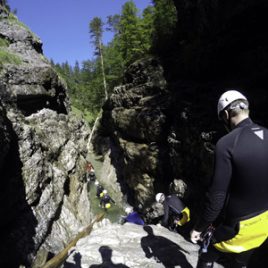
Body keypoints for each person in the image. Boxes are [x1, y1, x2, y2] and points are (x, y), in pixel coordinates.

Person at [190, 90, 268, 268]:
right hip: (265, 224)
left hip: (239, 228)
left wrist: (199, 228)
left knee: (206, 250)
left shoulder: (227, 143)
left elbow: (216, 199)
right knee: (241, 260)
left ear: (225, 114)